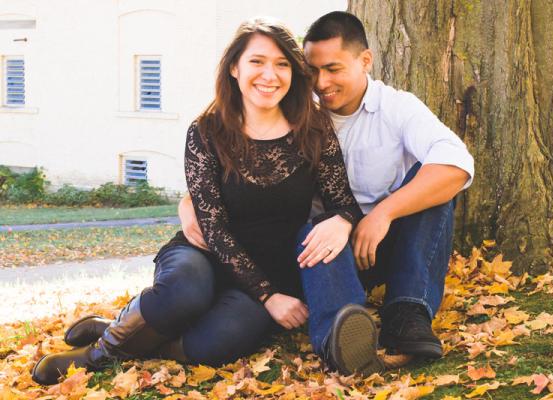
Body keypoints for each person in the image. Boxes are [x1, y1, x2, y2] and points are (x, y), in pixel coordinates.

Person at [31, 17, 385, 386]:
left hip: (270, 267)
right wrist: (268, 298)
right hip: (204, 253)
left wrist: (342, 221)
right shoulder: (207, 131)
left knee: (224, 339)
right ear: (234, 67)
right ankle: (100, 351)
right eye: (257, 62)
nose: (270, 75)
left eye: (282, 64)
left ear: (295, 73)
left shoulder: (313, 128)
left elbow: (343, 201)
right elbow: (212, 228)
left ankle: (139, 330)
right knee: (186, 291)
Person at [178, 11, 475, 361]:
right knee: (316, 234)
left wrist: (382, 214)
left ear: (365, 61)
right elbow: (236, 172)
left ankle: (407, 314)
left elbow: (457, 165)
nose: (321, 83)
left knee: (434, 184)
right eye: (312, 70)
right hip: (317, 250)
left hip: (383, 241)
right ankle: (340, 339)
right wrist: (188, 202)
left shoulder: (397, 108)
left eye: (333, 69)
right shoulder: (294, 111)